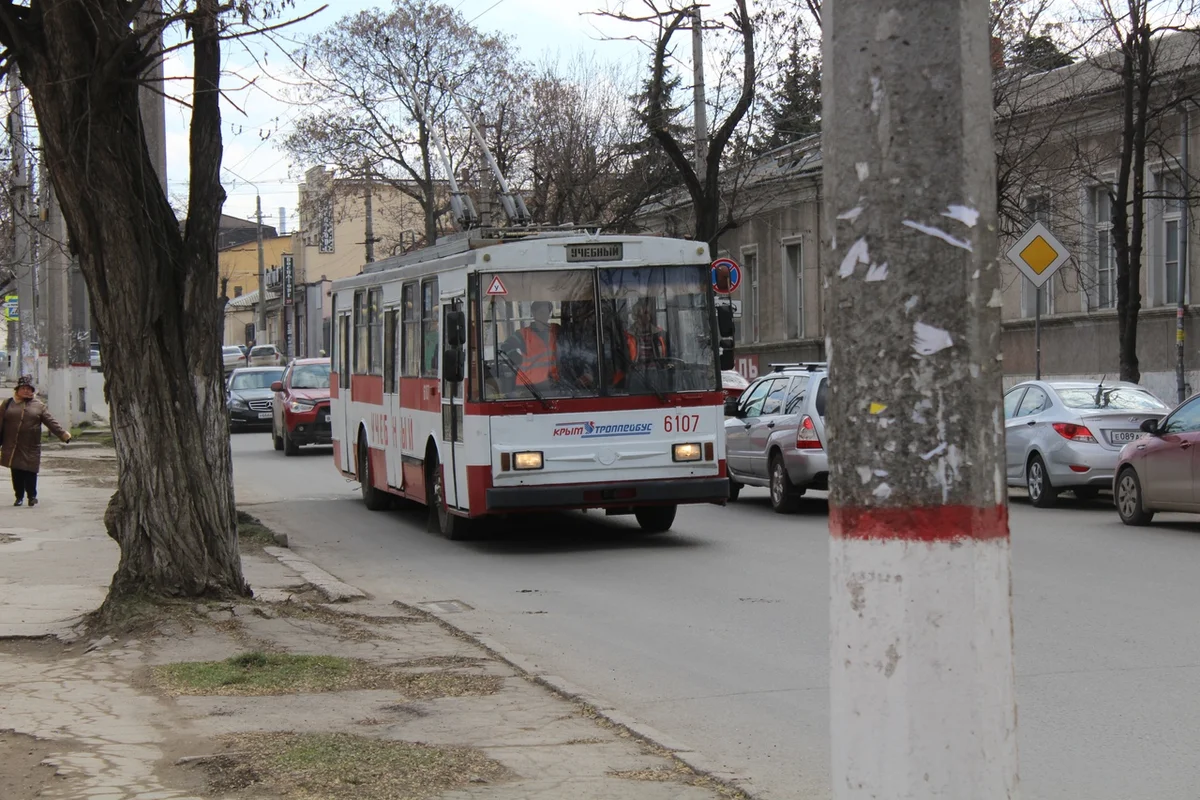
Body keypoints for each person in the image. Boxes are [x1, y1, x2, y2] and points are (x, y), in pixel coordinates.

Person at [0, 376, 71, 507]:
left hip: (31, 445)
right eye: (23, 388)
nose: (26, 391)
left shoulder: (39, 406)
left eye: (29, 389)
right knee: (16, 472)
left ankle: (32, 496)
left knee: (31, 471)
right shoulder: (8, 403)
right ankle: (19, 497)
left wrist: (63, 434)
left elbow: (51, 422)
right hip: (13, 444)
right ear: (17, 390)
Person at [500, 300, 560, 389]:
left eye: (547, 312)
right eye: (541, 312)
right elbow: (505, 346)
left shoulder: (556, 330)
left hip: (552, 382)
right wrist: (518, 359)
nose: (544, 316)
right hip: (529, 385)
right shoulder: (523, 334)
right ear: (533, 313)